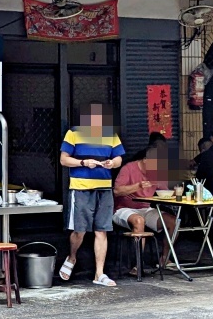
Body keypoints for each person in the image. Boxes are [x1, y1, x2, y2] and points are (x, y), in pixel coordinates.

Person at [58, 103, 126, 286]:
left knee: (101, 230)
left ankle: (99, 274)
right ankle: (72, 257)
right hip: (80, 188)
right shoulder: (73, 133)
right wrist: (83, 163)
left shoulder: (110, 135)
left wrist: (113, 163)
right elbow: (63, 159)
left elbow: (119, 158)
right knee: (79, 230)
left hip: (104, 188)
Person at [113, 142, 177, 270]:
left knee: (173, 222)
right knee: (139, 221)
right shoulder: (129, 168)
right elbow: (117, 191)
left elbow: (164, 191)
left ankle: (165, 258)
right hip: (123, 209)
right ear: (145, 160)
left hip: (146, 208)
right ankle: (137, 264)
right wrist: (138, 186)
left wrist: (175, 192)